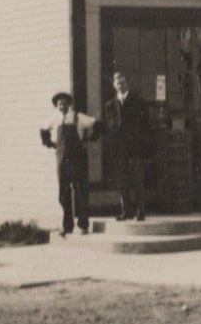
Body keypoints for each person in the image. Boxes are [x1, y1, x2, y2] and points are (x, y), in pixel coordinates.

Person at [39, 91, 97, 237]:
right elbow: (43, 130)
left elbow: (96, 123)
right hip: (62, 161)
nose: (62, 106)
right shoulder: (54, 119)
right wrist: (50, 144)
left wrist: (90, 138)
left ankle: (83, 225)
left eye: (64, 103)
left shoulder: (78, 117)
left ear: (69, 104)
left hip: (78, 160)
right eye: (59, 104)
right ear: (56, 106)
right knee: (63, 193)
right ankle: (67, 226)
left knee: (81, 192)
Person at [105, 71, 154, 221]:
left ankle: (140, 211)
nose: (121, 85)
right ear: (114, 86)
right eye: (118, 83)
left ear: (128, 84)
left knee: (138, 180)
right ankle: (126, 211)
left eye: (123, 82)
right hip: (120, 150)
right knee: (122, 181)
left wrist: (143, 146)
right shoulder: (110, 105)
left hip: (136, 148)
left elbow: (146, 125)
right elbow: (110, 129)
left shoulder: (138, 101)